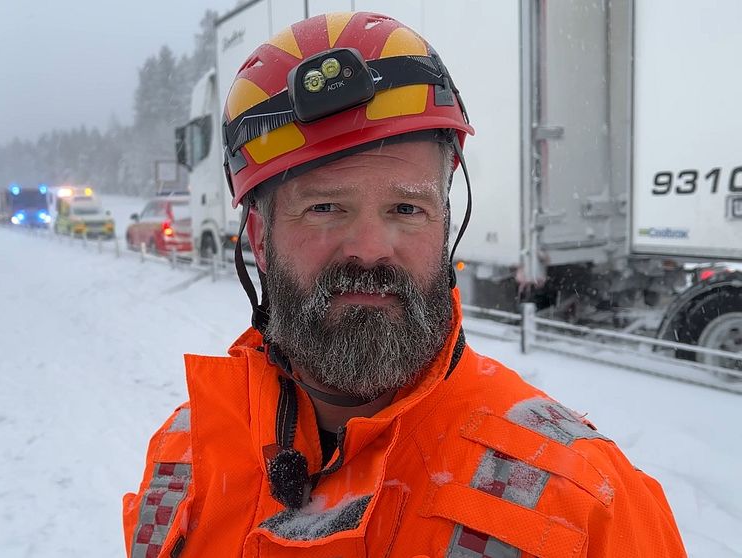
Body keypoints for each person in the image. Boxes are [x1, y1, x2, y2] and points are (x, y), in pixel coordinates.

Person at [123, 12, 685, 557]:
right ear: (260, 239)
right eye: (325, 207)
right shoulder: (182, 464)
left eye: (406, 207)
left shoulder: (585, 502)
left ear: (445, 223)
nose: (370, 248)